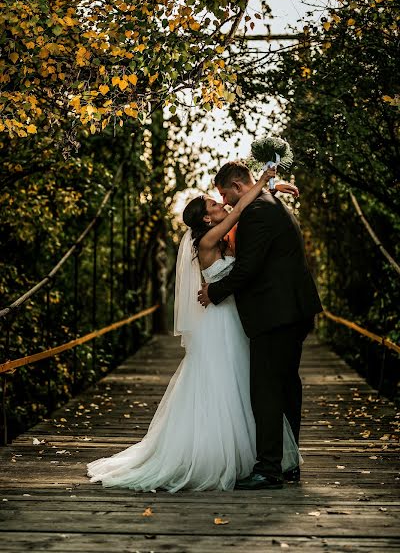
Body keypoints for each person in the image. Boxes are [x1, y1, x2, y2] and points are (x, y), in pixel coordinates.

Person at [86, 167, 301, 492]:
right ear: (204, 219)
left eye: (219, 199)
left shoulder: (222, 233)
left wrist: (272, 188)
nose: (220, 204)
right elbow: (241, 207)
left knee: (247, 386)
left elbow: (245, 215)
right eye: (213, 204)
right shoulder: (211, 238)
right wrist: (264, 183)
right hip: (221, 322)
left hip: (235, 318)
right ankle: (228, 456)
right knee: (229, 385)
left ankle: (261, 459)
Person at [198, 161, 323, 490]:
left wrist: (215, 291)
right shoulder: (271, 202)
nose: (225, 203)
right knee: (286, 386)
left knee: (265, 390)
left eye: (225, 195)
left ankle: (268, 469)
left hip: (276, 314)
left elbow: (248, 268)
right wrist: (269, 186)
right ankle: (289, 462)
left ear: (238, 187)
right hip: (293, 311)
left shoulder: (255, 213)